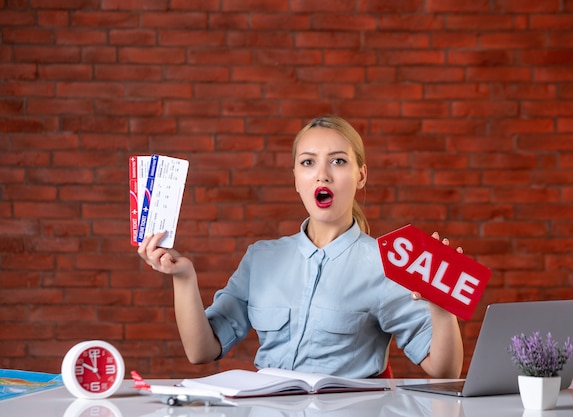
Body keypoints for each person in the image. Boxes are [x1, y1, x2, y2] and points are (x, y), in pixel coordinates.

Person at [138, 115, 463, 379]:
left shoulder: (388, 264)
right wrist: (183, 277)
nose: (322, 175)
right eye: (308, 163)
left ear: (360, 175)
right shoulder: (261, 258)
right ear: (295, 178)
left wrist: (442, 309)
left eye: (337, 161)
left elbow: (444, 370)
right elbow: (202, 351)